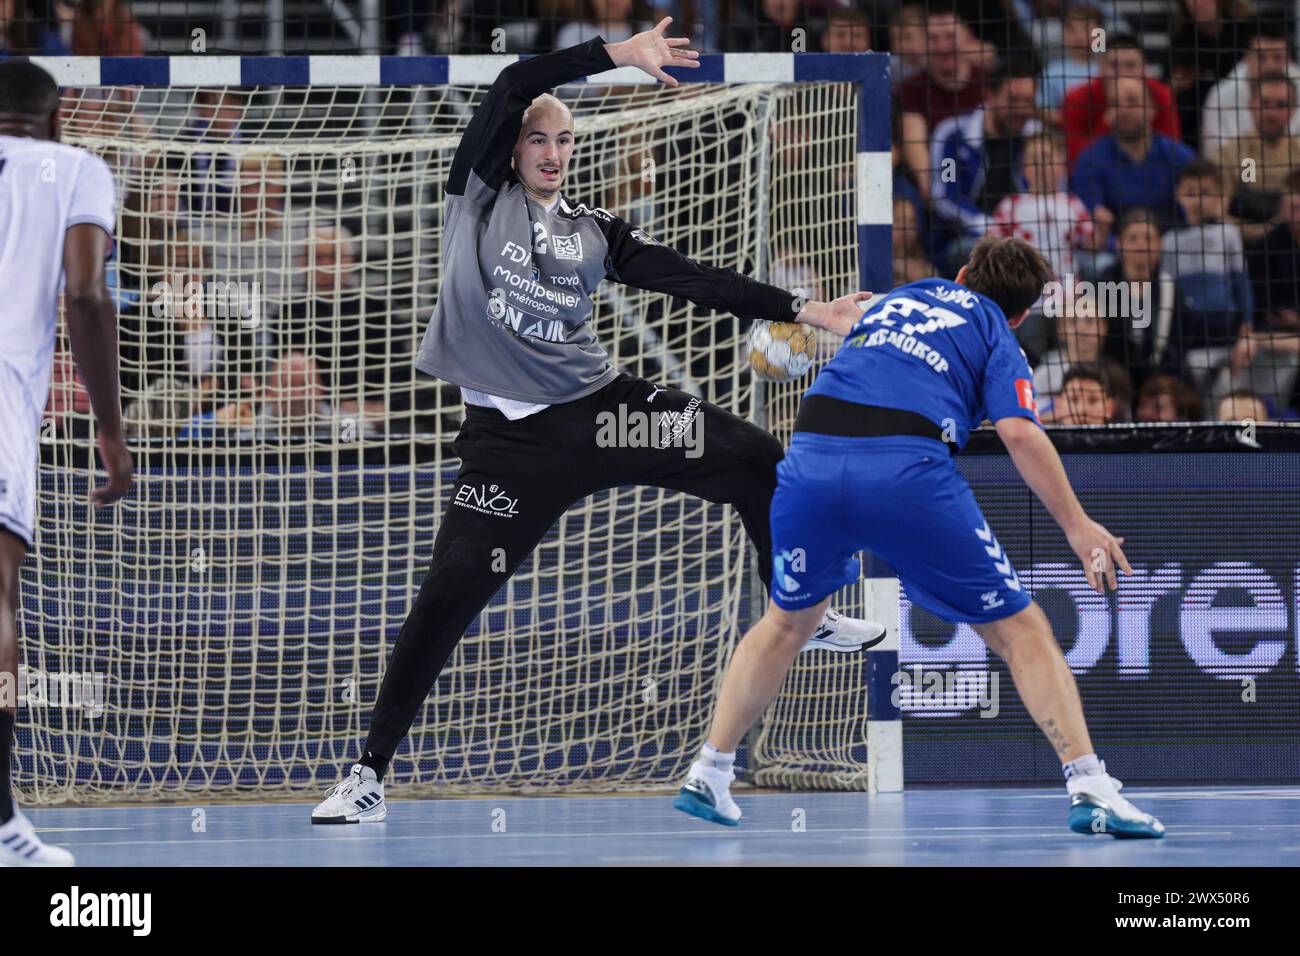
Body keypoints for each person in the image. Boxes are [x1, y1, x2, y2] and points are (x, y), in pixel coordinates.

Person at [310, 21, 884, 825]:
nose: (551, 149)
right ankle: (368, 775)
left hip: (606, 417)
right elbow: (516, 77)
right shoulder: (478, 196)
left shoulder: (591, 230)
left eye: (564, 139)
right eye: (537, 137)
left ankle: (802, 610)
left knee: (759, 459)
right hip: (510, 450)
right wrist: (617, 54)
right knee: (445, 599)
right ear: (512, 147)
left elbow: (688, 280)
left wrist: (805, 309)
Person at [672, 235, 1165, 839]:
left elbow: (835, 331)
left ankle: (710, 771)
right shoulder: (996, 332)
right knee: (1023, 631)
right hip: (906, 469)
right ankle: (1091, 787)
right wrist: (1077, 524)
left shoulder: (894, 300)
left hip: (810, 461)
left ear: (960, 274)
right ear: (1023, 313)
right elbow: (1019, 432)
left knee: (785, 624)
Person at [0, 58, 132, 865]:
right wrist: (110, 433)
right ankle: (3, 825)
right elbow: (85, 292)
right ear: (56, 120)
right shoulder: (75, 167)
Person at [1071, 76, 1197, 232]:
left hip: (1173, 247)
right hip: (1115, 252)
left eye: (1132, 101)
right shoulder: (1090, 160)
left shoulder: (1180, 157)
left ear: (1152, 108)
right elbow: (1089, 224)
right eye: (1115, 103)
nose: (1123, 110)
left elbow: (1194, 216)